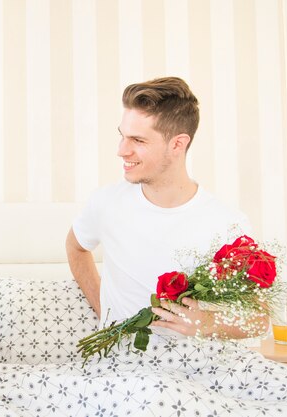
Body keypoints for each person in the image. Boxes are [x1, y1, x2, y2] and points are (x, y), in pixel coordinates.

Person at [66, 77, 266, 339]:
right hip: (125, 369)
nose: (121, 150)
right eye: (122, 136)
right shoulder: (106, 203)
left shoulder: (226, 222)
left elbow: (260, 319)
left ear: (177, 144)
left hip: (196, 368)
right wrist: (105, 311)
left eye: (138, 140)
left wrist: (207, 324)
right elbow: (76, 246)